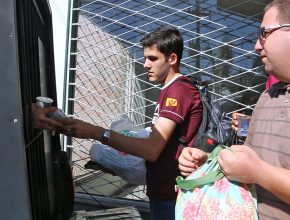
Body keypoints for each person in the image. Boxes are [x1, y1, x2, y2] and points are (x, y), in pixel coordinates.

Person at [58, 27, 203, 219]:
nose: (145, 64)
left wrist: (97, 133)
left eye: (152, 58)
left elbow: (151, 149)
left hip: (173, 197)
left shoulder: (178, 91)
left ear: (172, 59)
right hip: (165, 192)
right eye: (144, 58)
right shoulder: (170, 90)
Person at [179, 1, 290, 219]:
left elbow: (255, 168)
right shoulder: (267, 96)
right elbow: (248, 159)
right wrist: (211, 162)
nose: (257, 46)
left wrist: (258, 172)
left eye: (264, 33)